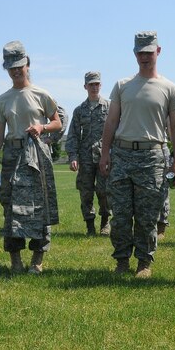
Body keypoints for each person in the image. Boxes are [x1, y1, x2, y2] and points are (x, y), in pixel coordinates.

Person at [99, 31, 175, 278]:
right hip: (123, 155)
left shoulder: (170, 88)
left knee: (148, 216)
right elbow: (111, 121)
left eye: (149, 52)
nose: (144, 57)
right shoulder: (122, 86)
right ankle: (122, 261)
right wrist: (105, 153)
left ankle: (144, 263)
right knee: (122, 214)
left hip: (153, 157)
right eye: (140, 52)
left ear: (158, 51)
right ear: (134, 54)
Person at [0, 41, 61, 274]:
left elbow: (57, 123)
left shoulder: (42, 94)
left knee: (40, 205)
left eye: (20, 66)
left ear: (28, 64)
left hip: (36, 154)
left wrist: (42, 128)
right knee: (10, 206)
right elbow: (0, 131)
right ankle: (15, 260)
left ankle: (37, 259)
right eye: (11, 68)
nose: (16, 71)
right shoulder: (3, 99)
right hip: (12, 155)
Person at [66, 71, 111, 236]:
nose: (94, 87)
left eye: (97, 84)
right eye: (91, 84)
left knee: (104, 191)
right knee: (86, 192)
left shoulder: (110, 107)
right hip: (85, 158)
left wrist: (113, 154)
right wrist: (73, 157)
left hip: (104, 156)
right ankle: (90, 225)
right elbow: (73, 135)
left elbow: (116, 131)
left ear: (101, 85)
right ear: (85, 86)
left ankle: (105, 222)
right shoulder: (79, 110)